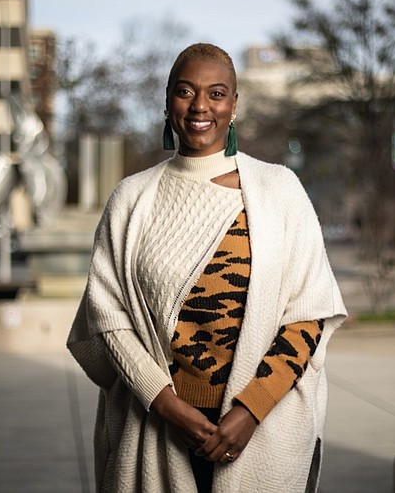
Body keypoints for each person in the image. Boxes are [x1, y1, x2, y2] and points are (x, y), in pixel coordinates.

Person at [67, 42, 348, 493]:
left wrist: (250, 411)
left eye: (217, 93)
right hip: (155, 428)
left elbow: (308, 314)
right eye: (185, 91)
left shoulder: (281, 191)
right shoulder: (132, 199)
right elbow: (107, 317)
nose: (200, 106)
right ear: (167, 101)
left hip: (261, 429)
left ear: (234, 104)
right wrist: (164, 405)